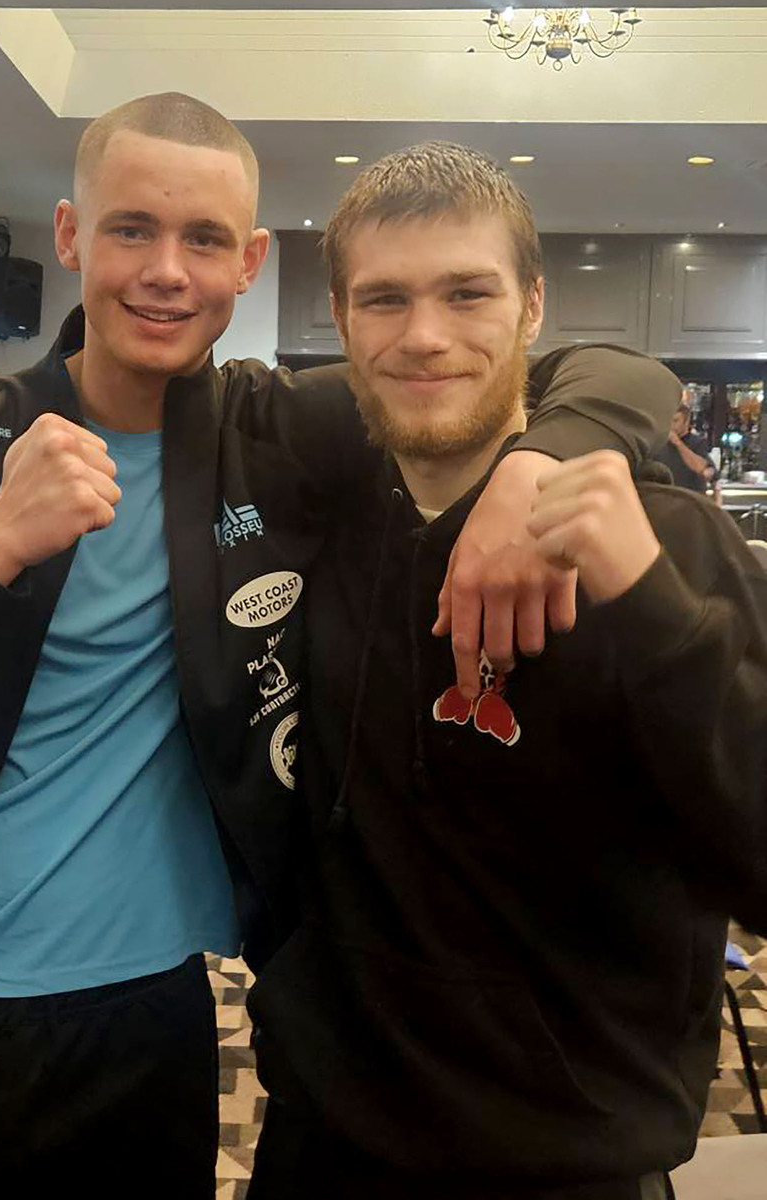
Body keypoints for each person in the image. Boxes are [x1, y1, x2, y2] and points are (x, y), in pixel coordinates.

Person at [0, 96, 677, 1198]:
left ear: (247, 262)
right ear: (69, 236)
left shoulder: (276, 430)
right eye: (131, 229)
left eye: (203, 240)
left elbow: (608, 373)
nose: (166, 272)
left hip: (155, 1019)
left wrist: (541, 462)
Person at [247, 142, 767, 1200]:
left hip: (573, 1161)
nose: (424, 336)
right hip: (322, 1146)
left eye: (466, 294)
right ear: (340, 321)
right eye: (384, 299)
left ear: (533, 308)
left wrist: (650, 603)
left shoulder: (668, 544)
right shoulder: (316, 523)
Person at [654, 397, 716, 492]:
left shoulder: (698, 442)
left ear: (686, 422)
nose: (671, 425)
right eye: (668, 421)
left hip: (691, 498)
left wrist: (678, 443)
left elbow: (701, 468)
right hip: (666, 497)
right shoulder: (659, 444)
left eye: (675, 421)